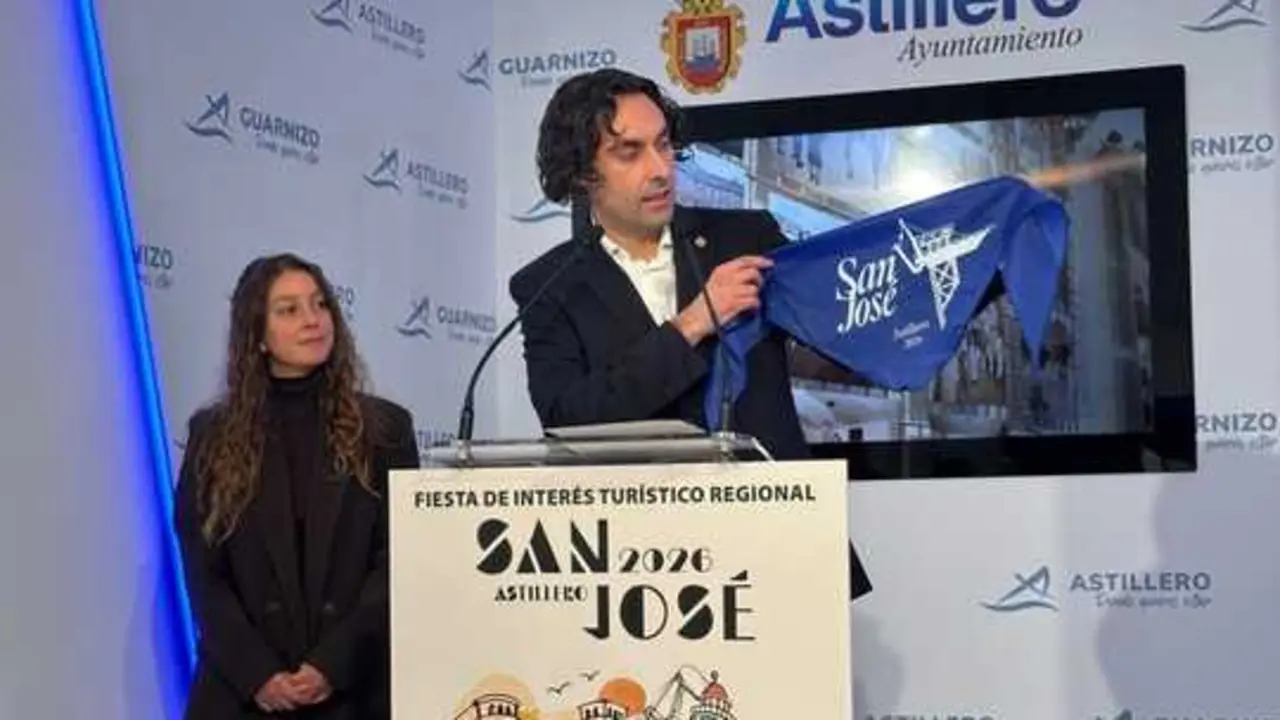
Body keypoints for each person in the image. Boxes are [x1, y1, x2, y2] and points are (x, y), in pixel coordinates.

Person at [509, 68, 872, 600]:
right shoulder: (549, 284)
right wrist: (691, 324)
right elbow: (570, 419)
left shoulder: (747, 238)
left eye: (663, 145)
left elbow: (842, 324)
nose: (660, 170)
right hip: (641, 570)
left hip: (779, 544)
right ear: (582, 173)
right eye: (630, 152)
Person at [175, 253, 419, 718]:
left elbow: (398, 562)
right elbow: (204, 572)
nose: (312, 320)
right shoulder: (213, 435)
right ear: (257, 335)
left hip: (355, 690)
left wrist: (331, 665)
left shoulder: (386, 430)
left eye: (320, 304)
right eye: (289, 310)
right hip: (242, 694)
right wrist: (258, 675)